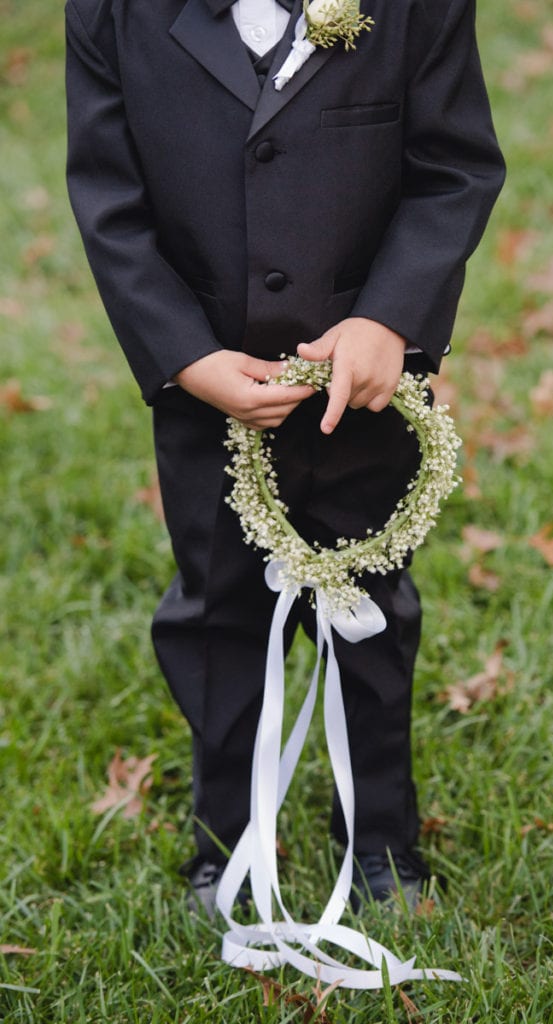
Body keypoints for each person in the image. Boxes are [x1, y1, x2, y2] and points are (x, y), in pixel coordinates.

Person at [65, 0, 505, 916]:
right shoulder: (113, 11)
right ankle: (225, 834)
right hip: (208, 383)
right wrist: (183, 355)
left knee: (369, 610)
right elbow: (109, 200)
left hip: (364, 383)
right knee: (218, 609)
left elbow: (454, 167)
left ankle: (381, 838)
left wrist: (392, 317)